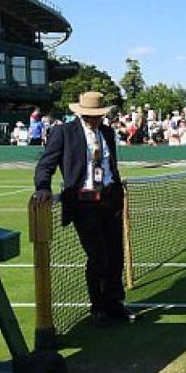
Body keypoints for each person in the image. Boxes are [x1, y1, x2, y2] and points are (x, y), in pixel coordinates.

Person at [33, 92, 134, 327]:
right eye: (90, 116)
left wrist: (116, 190)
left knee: (115, 256)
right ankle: (98, 309)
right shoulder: (64, 133)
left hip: (110, 200)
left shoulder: (107, 133)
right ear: (81, 114)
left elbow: (110, 166)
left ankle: (114, 303)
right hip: (84, 203)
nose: (94, 120)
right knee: (98, 257)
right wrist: (43, 187)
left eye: (98, 115)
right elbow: (45, 164)